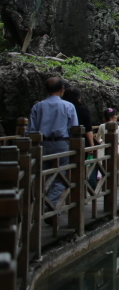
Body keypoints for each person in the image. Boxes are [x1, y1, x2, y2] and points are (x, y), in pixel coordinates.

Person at [28, 77, 78, 205]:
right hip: (61, 144)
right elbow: (74, 129)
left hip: (41, 145)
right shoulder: (68, 106)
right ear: (62, 89)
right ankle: (50, 207)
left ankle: (41, 207)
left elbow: (31, 130)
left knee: (41, 176)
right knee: (60, 177)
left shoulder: (37, 106)